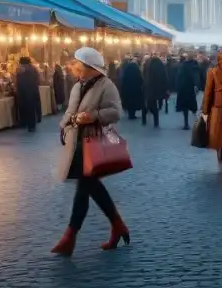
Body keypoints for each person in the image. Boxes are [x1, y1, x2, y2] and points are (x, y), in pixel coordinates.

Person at [52, 48, 129, 257]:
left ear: (90, 68)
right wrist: (64, 126)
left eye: (79, 65)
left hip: (93, 142)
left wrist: (92, 116)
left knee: (85, 186)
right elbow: (71, 110)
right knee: (91, 186)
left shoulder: (107, 85)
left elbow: (115, 112)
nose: (75, 68)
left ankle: (70, 236)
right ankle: (117, 225)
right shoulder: (78, 85)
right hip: (77, 142)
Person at [15, 57, 42, 132]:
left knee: (26, 109)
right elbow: (38, 80)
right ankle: (32, 124)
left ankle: (27, 124)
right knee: (32, 109)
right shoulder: (34, 69)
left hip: (25, 92)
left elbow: (19, 81)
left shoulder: (22, 69)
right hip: (33, 91)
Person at [174, 54, 201, 130]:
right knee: (192, 106)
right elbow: (197, 77)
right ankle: (196, 121)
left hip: (183, 89)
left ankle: (186, 123)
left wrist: (177, 87)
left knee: (185, 108)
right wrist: (197, 86)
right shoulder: (195, 66)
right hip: (191, 89)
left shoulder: (183, 66)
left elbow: (179, 77)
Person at [141, 55, 168, 128]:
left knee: (147, 105)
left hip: (149, 88)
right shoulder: (160, 66)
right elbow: (164, 77)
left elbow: (143, 77)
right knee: (154, 106)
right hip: (158, 88)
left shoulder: (147, 66)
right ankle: (156, 122)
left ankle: (144, 120)